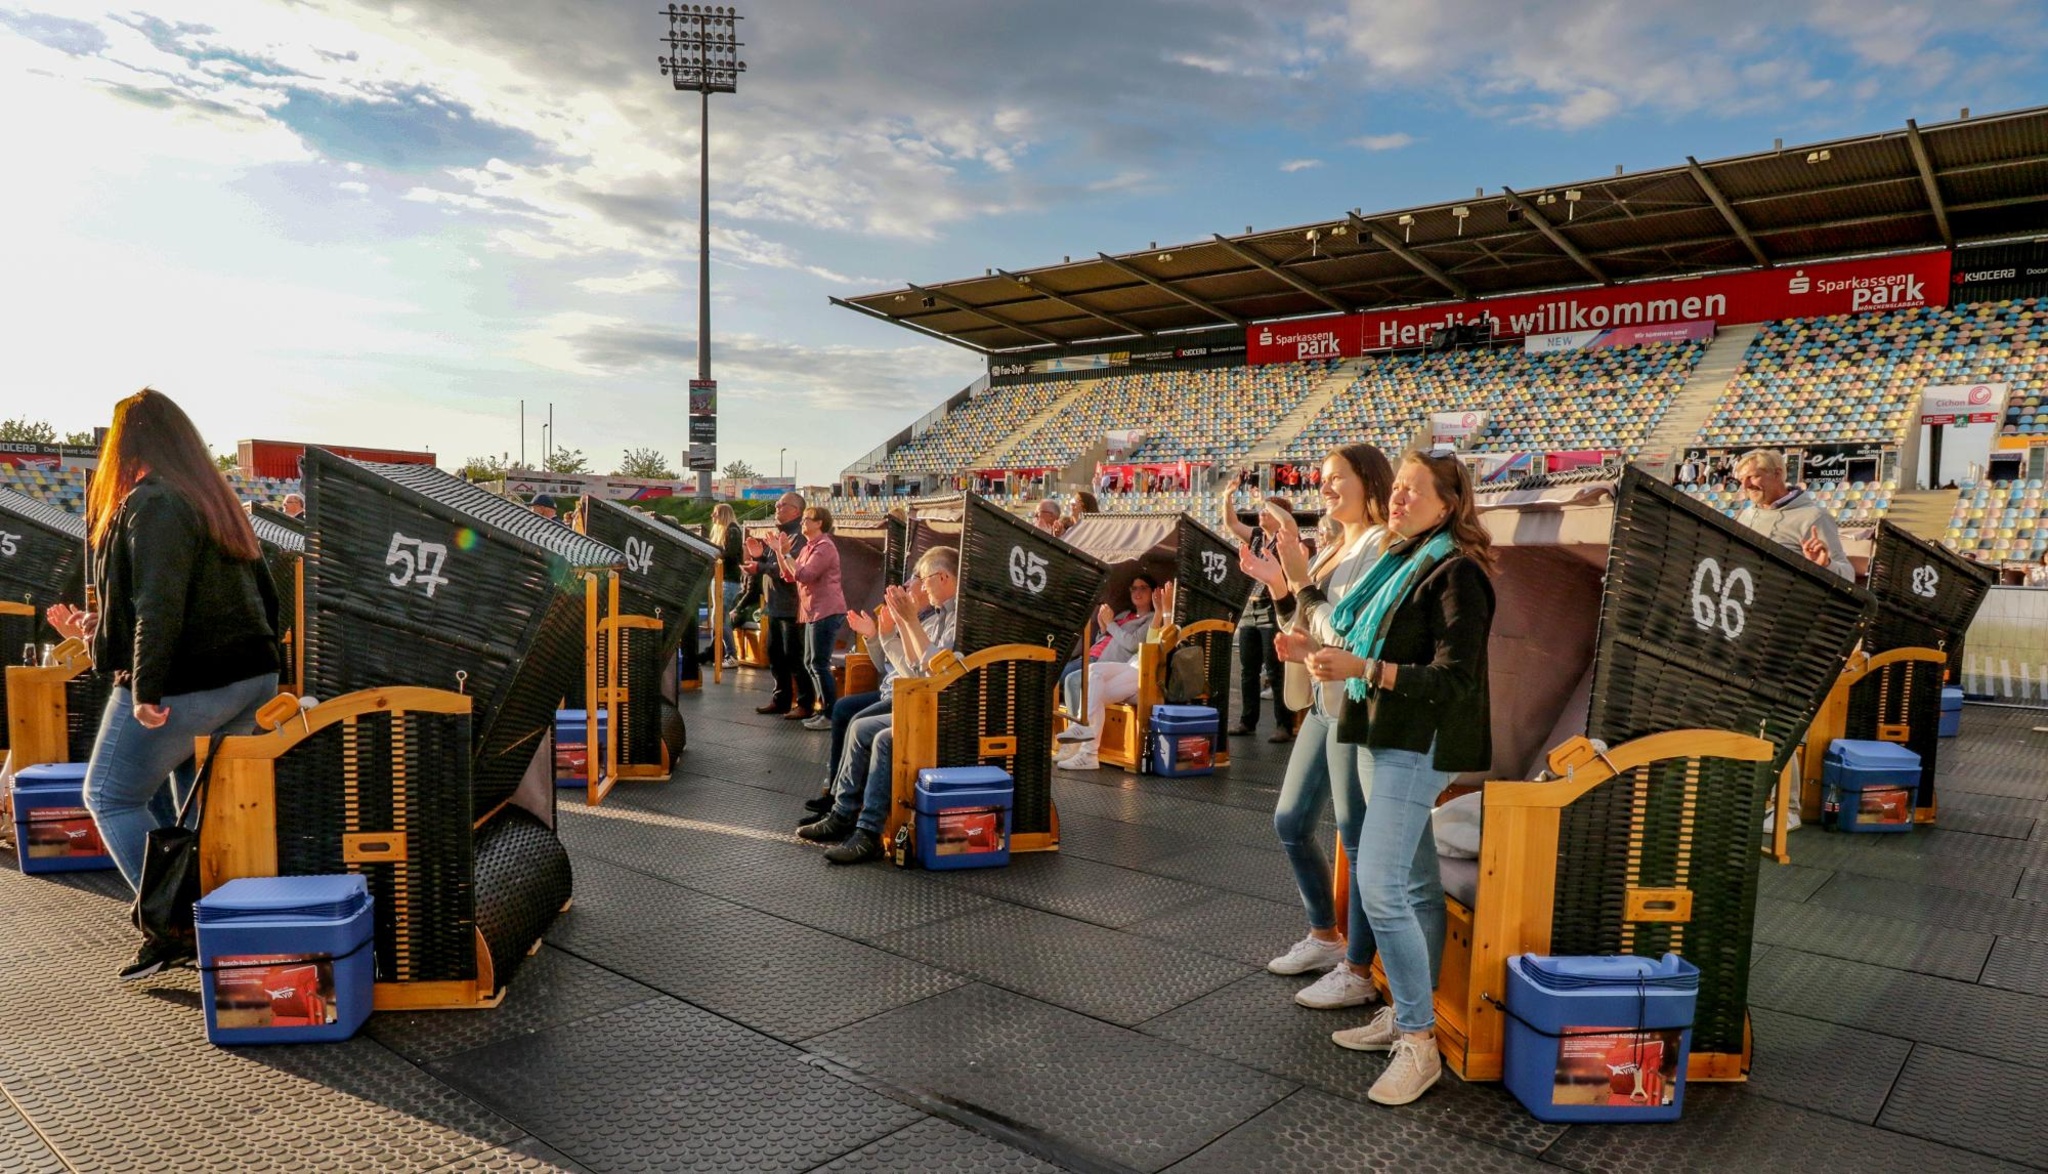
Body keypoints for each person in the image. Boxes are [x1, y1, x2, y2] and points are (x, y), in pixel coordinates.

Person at [1283, 449, 1496, 1107]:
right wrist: (1315, 645)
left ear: (1449, 503)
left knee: (1379, 885)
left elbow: (1456, 679)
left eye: (1412, 491)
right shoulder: (1399, 564)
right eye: (1396, 489)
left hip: (1417, 744)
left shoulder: (1460, 574)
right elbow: (1348, 631)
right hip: (1380, 735)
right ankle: (1407, 1012)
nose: (1398, 500)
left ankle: (1417, 1039)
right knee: (1407, 881)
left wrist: (1363, 671)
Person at [49, 389, 282, 981]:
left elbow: (160, 602)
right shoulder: (215, 499)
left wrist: (146, 688)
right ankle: (207, 920)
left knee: (109, 795)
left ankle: (175, 924)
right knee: (188, 805)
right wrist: (102, 633)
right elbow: (265, 599)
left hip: (188, 681)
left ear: (128, 445)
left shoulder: (153, 502)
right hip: (251, 677)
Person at [1238, 445, 1394, 1011]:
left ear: (1368, 482)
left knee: (1356, 838)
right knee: (1291, 820)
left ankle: (1358, 966)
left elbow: (1346, 631)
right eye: (1322, 480)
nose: (1325, 488)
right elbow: (1306, 622)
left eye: (1337, 479)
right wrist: (1280, 583)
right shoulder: (1334, 546)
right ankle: (1326, 937)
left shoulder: (1381, 547)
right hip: (1324, 704)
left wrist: (1298, 583)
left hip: (1353, 703)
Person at [799, 547, 961, 864]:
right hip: (917, 697)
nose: (923, 588)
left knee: (881, 736)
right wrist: (892, 630)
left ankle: (868, 832)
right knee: (858, 723)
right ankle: (843, 812)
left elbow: (928, 672)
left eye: (924, 581)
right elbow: (917, 668)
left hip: (938, 708)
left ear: (942, 577)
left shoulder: (956, 619)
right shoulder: (940, 616)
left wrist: (902, 624)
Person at [1055, 578, 1172, 771]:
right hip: (1129, 666)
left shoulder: (1159, 620)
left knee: (1090, 674)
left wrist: (1162, 610)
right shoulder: (1132, 616)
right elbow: (1150, 639)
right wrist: (1104, 626)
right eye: (1134, 588)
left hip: (1141, 671)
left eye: (1144, 588)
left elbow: (1162, 641)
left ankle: (1082, 734)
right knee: (1094, 683)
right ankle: (1086, 750)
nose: (1138, 592)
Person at [1221, 486, 1296, 743]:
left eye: (1268, 511)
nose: (1261, 513)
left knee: (1276, 668)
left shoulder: (1286, 538)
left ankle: (1284, 724)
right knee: (1248, 668)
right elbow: (1231, 523)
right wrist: (1227, 497)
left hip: (1273, 606)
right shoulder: (1255, 536)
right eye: (1262, 510)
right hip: (1251, 607)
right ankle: (1247, 720)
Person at [767, 505, 848, 729]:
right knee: (810, 662)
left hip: (826, 610)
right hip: (813, 611)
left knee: (818, 663)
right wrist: (779, 552)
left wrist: (785, 554)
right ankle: (823, 709)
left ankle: (830, 714)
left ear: (819, 522)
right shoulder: (808, 548)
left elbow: (805, 574)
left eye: (806, 519)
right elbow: (789, 575)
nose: (802, 523)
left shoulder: (825, 547)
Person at [1732, 449, 1852, 579]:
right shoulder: (1746, 514)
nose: (1745, 485)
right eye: (1742, 480)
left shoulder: (1814, 517)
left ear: (1777, 474)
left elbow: (1847, 575)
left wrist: (1826, 565)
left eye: (1753, 476)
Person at [749, 493, 813, 717]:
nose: (777, 507)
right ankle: (781, 699)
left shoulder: (799, 538)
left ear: (796, 511)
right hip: (775, 605)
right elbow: (771, 566)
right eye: (777, 504)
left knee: (794, 657)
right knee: (775, 655)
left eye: (782, 505)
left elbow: (786, 571)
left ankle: (805, 703)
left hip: (791, 607)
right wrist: (758, 559)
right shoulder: (780, 535)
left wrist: (760, 567)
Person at [709, 503, 744, 669]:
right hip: (721, 578)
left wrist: (713, 553)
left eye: (715, 513)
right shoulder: (728, 531)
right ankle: (716, 652)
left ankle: (731, 654)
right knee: (717, 618)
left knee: (720, 619)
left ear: (723, 514)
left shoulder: (733, 531)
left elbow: (729, 554)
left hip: (728, 580)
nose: (712, 516)